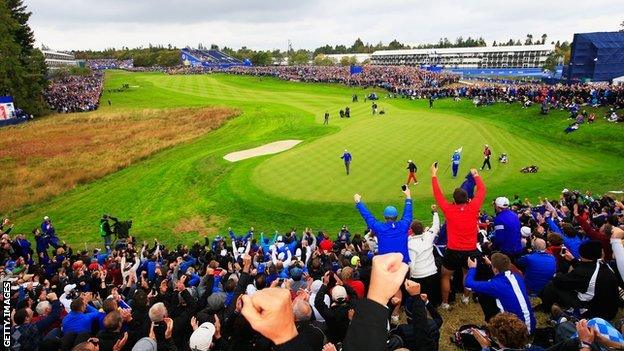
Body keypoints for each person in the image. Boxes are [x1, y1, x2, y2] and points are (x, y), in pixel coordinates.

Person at [431, 164, 486, 309]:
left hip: (453, 250)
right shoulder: (473, 207)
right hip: (470, 250)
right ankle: (466, 298)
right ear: (468, 198)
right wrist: (476, 175)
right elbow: (482, 190)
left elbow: (438, 195)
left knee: (445, 276)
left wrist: (434, 175)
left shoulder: (449, 209)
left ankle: (445, 302)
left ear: (454, 200)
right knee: (467, 274)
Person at [540, 240, 619, 321]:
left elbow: (560, 281)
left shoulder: (583, 272)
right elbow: (587, 269)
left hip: (594, 312)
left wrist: (557, 273)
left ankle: (546, 308)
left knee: (552, 285)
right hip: (609, 310)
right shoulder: (604, 265)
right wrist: (573, 260)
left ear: (581, 254)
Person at [465, 253, 536, 334]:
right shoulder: (517, 277)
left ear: (495, 269)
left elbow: (468, 284)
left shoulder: (496, 285)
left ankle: (490, 322)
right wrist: (492, 264)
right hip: (530, 325)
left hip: (517, 333)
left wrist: (472, 268)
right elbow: (500, 273)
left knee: (484, 296)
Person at [354, 186, 412, 263]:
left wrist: (358, 202)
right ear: (396, 217)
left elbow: (368, 217)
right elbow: (408, 214)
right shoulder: (404, 226)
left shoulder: (379, 228)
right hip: (403, 266)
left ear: (384, 217)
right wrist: (408, 196)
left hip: (387, 267)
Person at [408, 205, 441, 306]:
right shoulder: (428, 236)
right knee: (432, 295)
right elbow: (436, 225)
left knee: (420, 297)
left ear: (412, 231)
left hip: (418, 275)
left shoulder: (410, 243)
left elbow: (411, 264)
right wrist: (435, 212)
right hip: (431, 272)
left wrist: (410, 277)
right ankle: (434, 304)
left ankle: (427, 306)